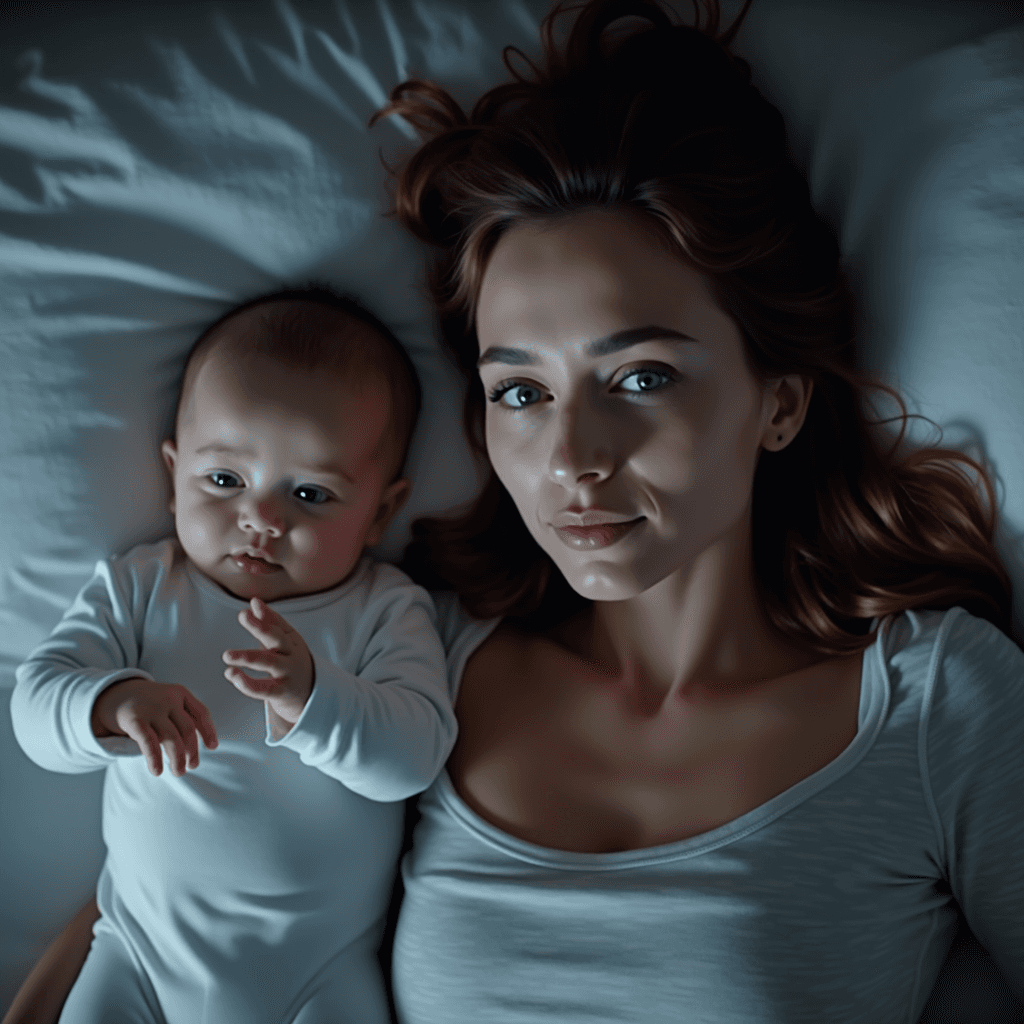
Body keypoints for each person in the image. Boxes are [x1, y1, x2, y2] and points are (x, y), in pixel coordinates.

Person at [7, 1, 1024, 1022]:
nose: (572, 459)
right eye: (521, 393)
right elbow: (176, 902)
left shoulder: (937, 706)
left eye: (639, 378)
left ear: (780, 401)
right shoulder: (419, 658)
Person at [8, 287, 455, 1024]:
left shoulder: (386, 608)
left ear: (381, 510)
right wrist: (109, 704)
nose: (262, 520)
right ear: (173, 473)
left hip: (320, 975)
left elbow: (414, 756)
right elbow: (35, 703)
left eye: (311, 493)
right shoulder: (142, 587)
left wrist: (316, 697)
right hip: (138, 955)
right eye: (224, 481)